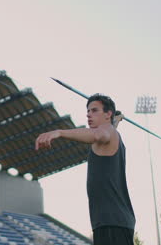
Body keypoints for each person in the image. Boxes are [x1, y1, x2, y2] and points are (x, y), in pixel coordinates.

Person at [35, 93, 135, 245]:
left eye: (94, 110)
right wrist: (117, 120)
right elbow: (106, 131)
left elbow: (97, 135)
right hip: (112, 222)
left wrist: (60, 132)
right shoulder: (111, 130)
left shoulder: (106, 131)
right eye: (88, 111)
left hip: (112, 223)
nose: (89, 115)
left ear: (108, 114)